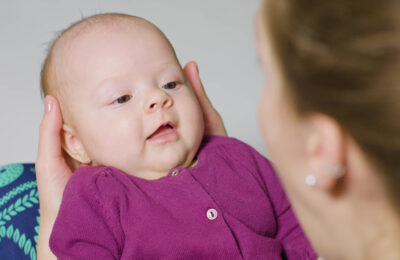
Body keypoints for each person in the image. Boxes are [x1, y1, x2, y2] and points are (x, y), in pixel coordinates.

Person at [37, 0, 400, 259]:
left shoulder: (236, 157)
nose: (156, 100)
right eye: (122, 98)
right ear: (75, 143)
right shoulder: (96, 195)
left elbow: (293, 223)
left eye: (170, 83)